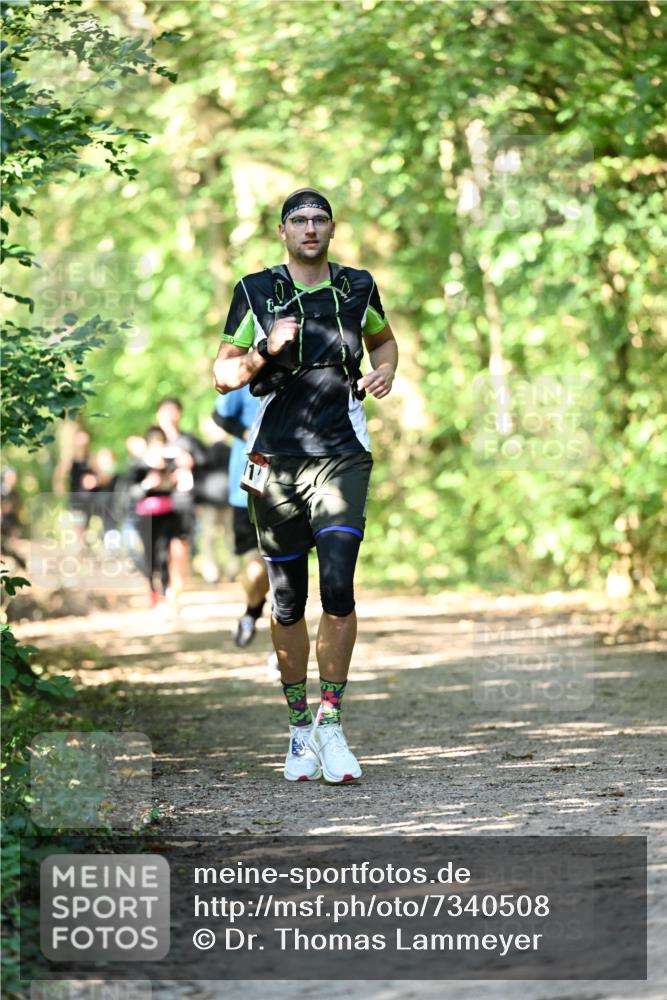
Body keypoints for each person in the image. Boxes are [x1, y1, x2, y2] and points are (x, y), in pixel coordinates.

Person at [212, 187, 398, 784]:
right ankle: (299, 731)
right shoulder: (255, 291)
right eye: (300, 220)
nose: (311, 228)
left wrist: (386, 370)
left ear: (333, 229)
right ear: (283, 232)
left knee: (339, 586)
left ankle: (332, 725)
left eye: (320, 219)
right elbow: (222, 375)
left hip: (343, 453)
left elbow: (383, 341)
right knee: (287, 600)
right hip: (274, 461)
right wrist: (263, 352)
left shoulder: (357, 287)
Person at [213, 384, 270, 647]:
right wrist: (247, 432)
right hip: (250, 476)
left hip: (293, 479)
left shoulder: (300, 368)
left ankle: (281, 640)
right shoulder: (246, 374)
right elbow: (219, 415)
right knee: (255, 568)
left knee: (283, 568)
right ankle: (252, 610)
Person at [155, 398, 206, 605]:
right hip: (157, 502)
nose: (168, 416)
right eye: (164, 411)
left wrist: (190, 465)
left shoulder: (189, 441)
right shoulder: (153, 441)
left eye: (172, 411)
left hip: (183, 500)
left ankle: (176, 587)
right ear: (158, 415)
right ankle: (161, 585)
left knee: (180, 543)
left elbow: (205, 467)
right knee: (160, 546)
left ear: (179, 414)